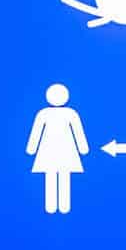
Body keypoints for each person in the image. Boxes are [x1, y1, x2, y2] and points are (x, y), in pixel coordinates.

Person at [27, 83, 89, 214]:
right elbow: (36, 132)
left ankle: (60, 206)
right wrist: (83, 148)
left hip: (57, 150)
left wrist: (31, 149)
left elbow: (77, 131)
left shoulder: (64, 113)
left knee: (60, 175)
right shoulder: (51, 113)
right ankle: (57, 206)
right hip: (58, 150)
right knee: (57, 175)